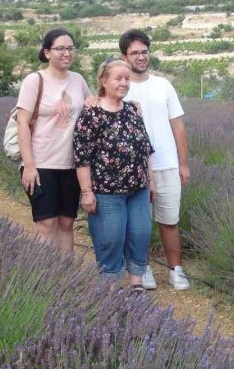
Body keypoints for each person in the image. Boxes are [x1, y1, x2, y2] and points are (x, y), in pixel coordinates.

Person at [119, 29, 191, 291]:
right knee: (139, 225)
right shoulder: (120, 88)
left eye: (144, 52)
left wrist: (183, 164)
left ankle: (176, 271)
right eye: (135, 53)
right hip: (133, 170)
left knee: (169, 221)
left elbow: (178, 126)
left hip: (167, 164)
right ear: (124, 56)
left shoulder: (163, 85)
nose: (141, 57)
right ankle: (143, 268)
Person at [74, 58, 154, 293]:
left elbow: (145, 148)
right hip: (106, 192)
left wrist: (150, 181)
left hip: (138, 189)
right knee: (111, 239)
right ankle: (110, 287)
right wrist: (87, 192)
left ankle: (136, 283)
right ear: (103, 81)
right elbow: (82, 158)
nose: (124, 82)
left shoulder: (132, 110)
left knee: (140, 233)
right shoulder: (91, 115)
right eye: (118, 78)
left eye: (127, 78)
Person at [16, 28, 92, 255]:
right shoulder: (34, 81)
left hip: (71, 165)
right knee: (46, 224)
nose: (66, 53)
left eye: (70, 48)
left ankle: (66, 279)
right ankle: (45, 278)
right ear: (47, 52)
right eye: (60, 48)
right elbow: (22, 123)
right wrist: (29, 166)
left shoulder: (78, 80)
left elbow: (95, 104)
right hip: (41, 164)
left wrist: (129, 104)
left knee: (67, 224)